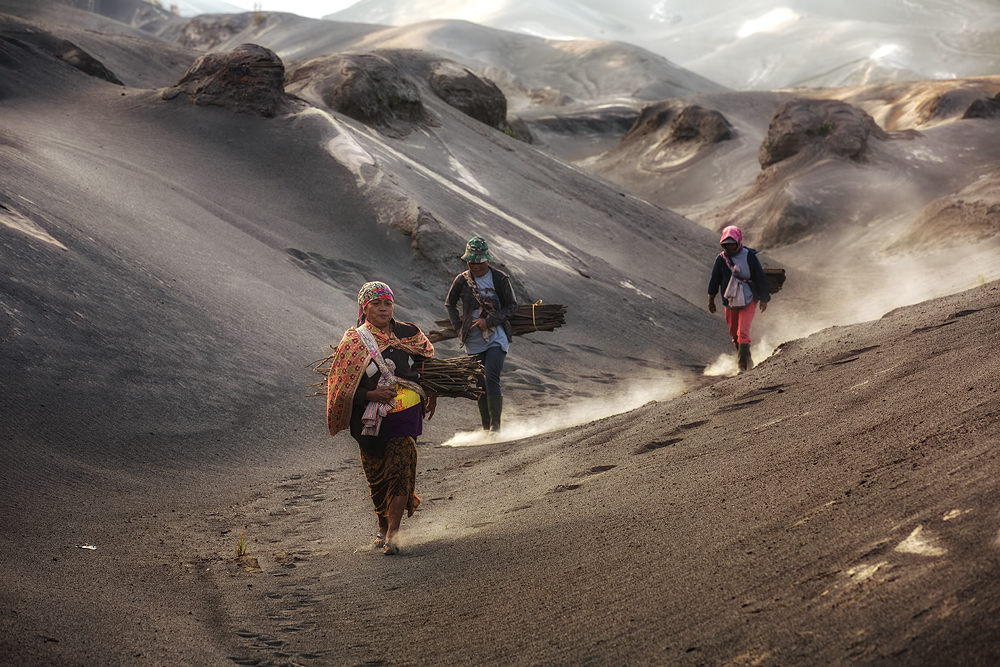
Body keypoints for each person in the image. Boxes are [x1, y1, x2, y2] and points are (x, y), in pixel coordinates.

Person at [326, 281, 437, 555]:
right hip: (368, 417)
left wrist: (432, 389)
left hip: (406, 408)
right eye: (376, 303)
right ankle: (382, 525)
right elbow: (340, 386)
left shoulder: (408, 332)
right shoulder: (354, 342)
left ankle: (394, 534)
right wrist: (370, 395)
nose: (384, 308)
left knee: (402, 463)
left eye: (387, 302)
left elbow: (427, 360)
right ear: (365, 308)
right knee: (377, 474)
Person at [445, 236, 517, 431]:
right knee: (479, 381)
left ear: (487, 260)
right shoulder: (462, 280)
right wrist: (458, 328)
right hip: (473, 338)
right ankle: (486, 426)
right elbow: (449, 304)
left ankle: (496, 427)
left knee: (491, 374)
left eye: (478, 261)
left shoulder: (500, 278)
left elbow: (512, 306)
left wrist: (490, 321)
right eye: (471, 261)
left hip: (496, 334)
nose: (474, 265)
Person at [707, 225, 770, 372]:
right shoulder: (721, 259)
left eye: (732, 243)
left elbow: (760, 278)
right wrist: (711, 298)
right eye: (726, 245)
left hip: (749, 298)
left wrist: (764, 299)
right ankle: (747, 360)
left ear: (738, 241)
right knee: (734, 333)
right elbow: (714, 280)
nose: (729, 247)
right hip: (730, 301)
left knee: (743, 331)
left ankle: (741, 367)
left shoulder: (749, 256)